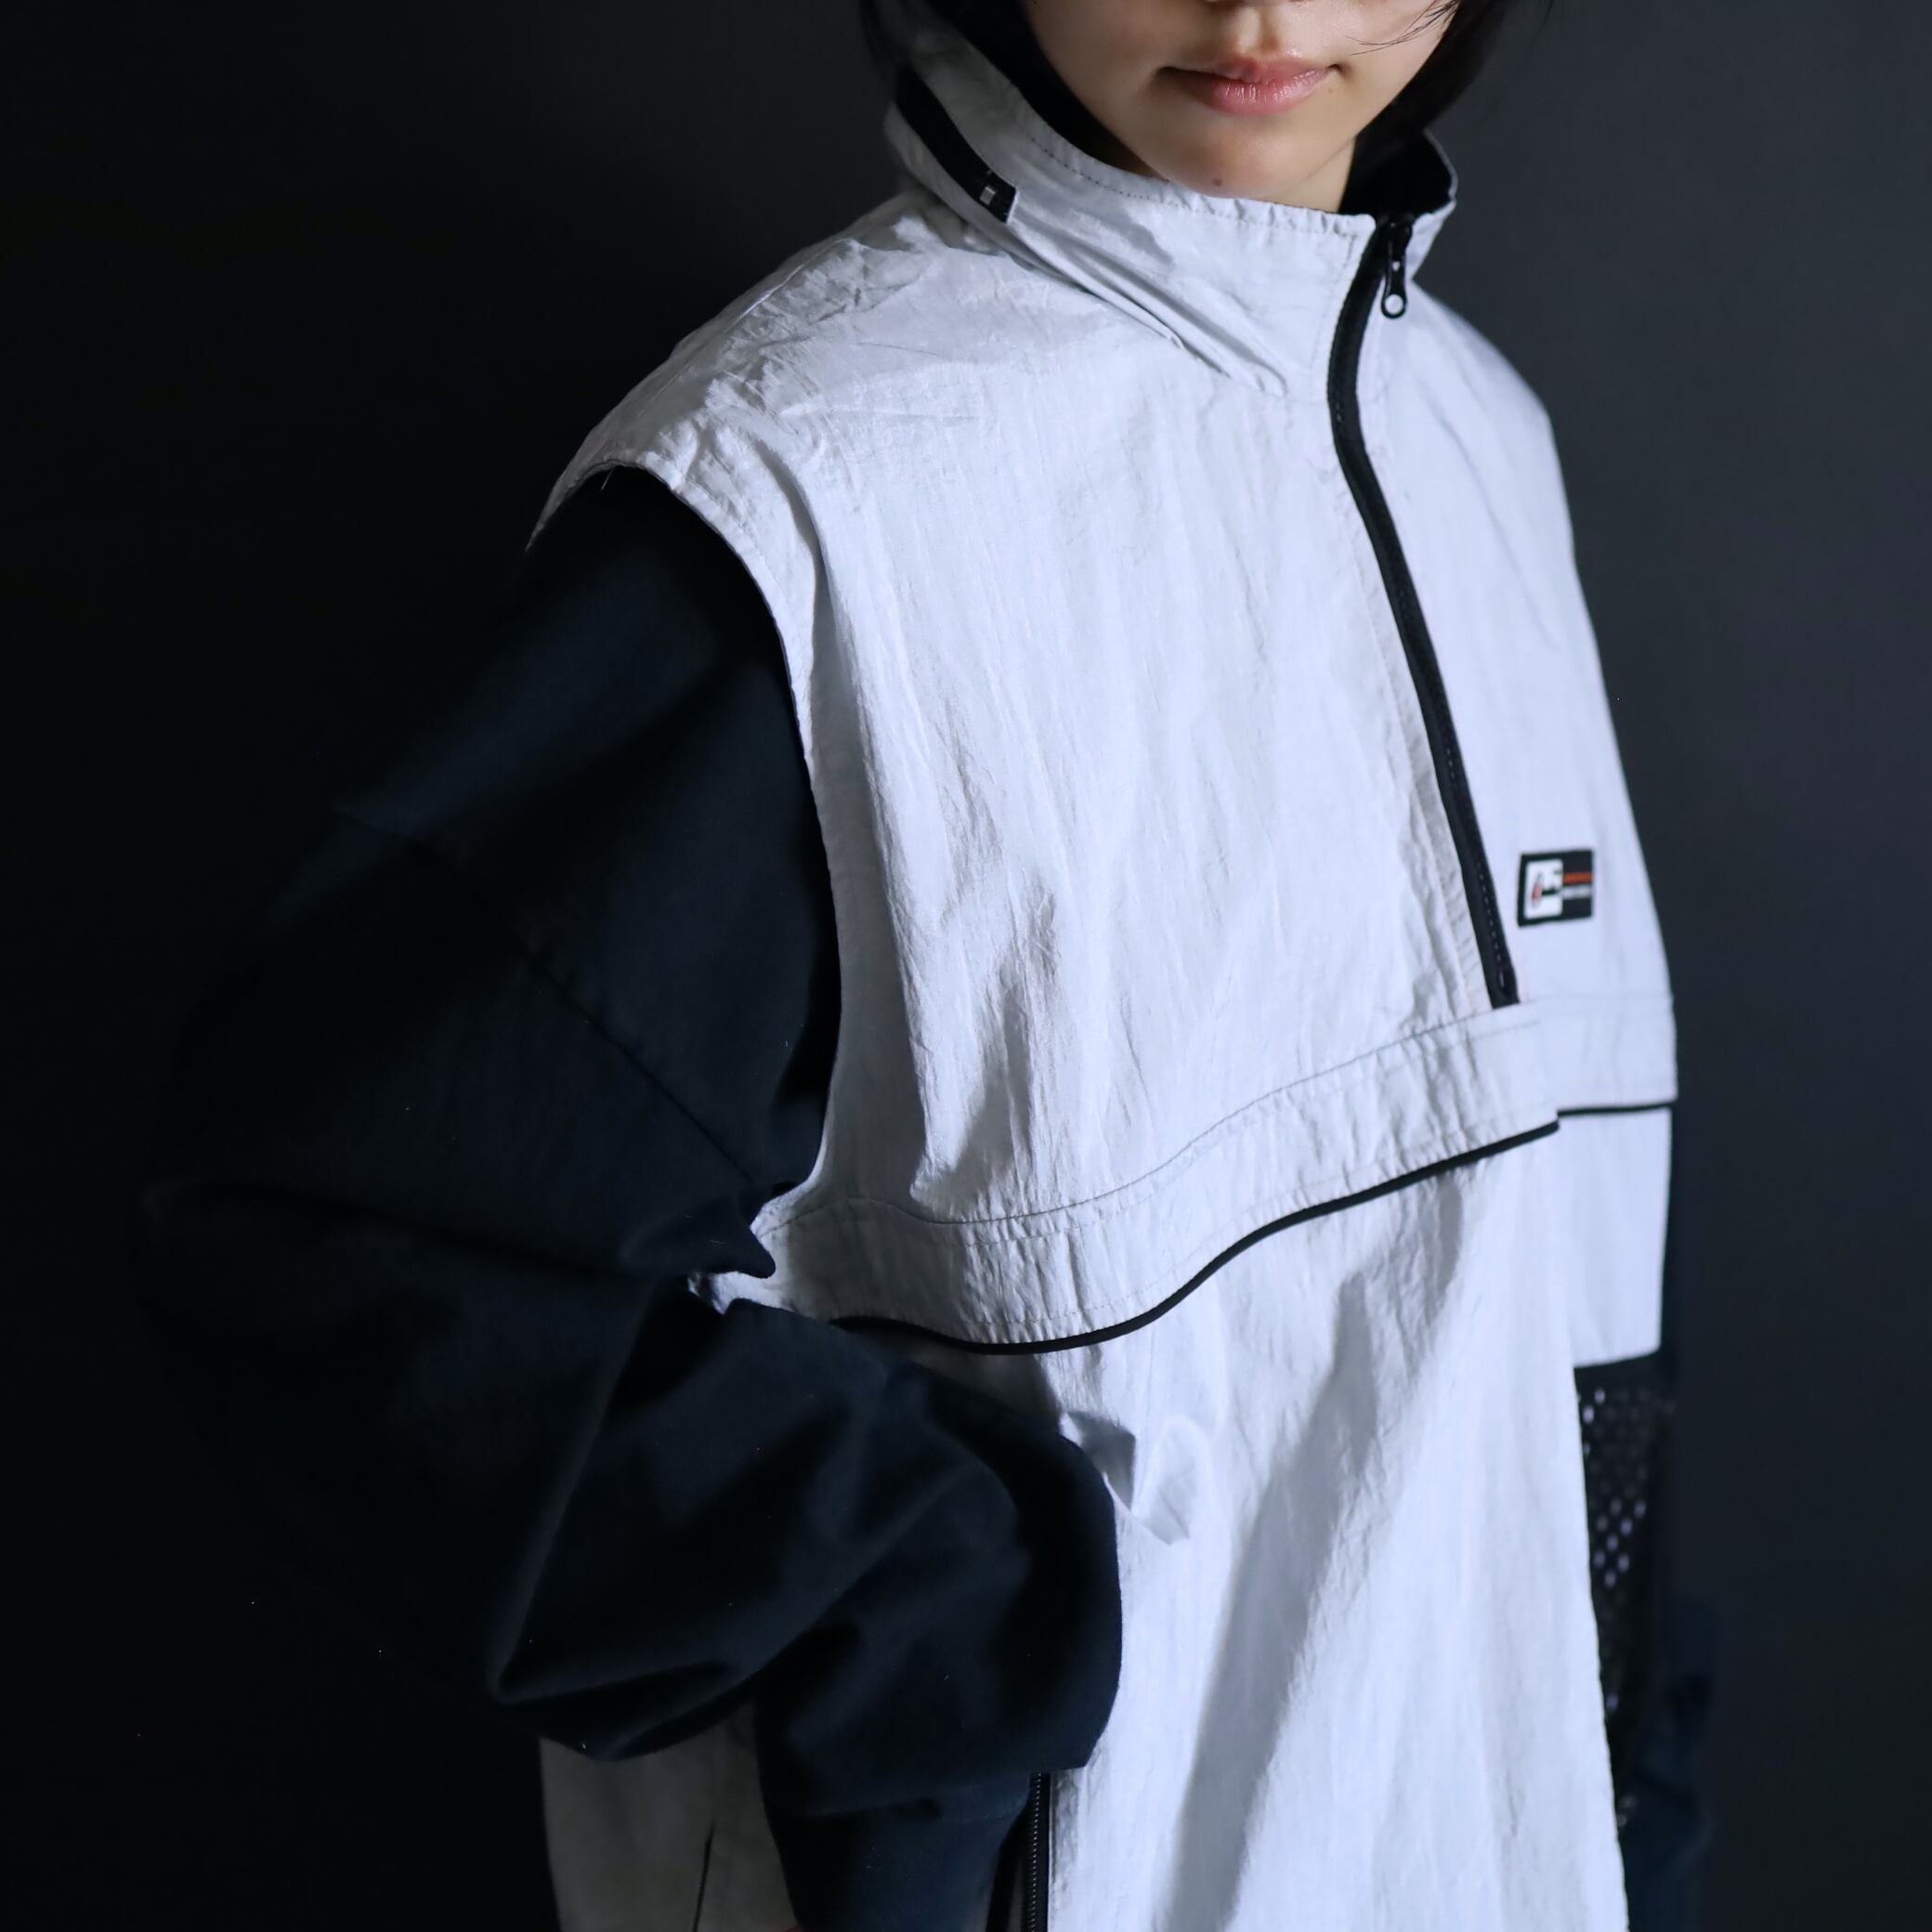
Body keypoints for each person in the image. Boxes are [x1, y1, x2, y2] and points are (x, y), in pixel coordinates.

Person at [130, 3, 1714, 1929]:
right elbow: (355, 1251)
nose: (1262, 14)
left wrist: (1633, 1814)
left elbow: (1568, 1312)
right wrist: (942, 1616)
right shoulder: (793, 485)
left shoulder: (1479, 438)